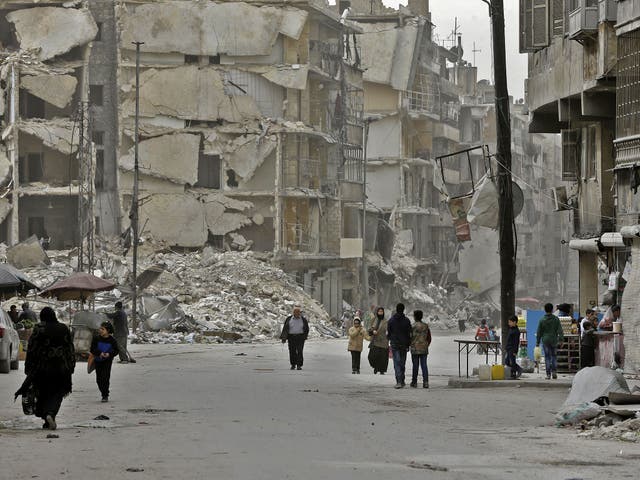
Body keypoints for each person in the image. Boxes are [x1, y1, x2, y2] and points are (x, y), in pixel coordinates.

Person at [21, 307, 75, 430]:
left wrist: (28, 367)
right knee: (57, 393)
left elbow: (32, 349)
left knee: (43, 393)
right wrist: (71, 366)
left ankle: (46, 417)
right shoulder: (64, 328)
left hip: (42, 368)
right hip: (61, 367)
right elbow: (70, 348)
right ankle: (51, 414)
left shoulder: (39, 328)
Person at [90, 322, 120, 402]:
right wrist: (100, 353)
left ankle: (105, 395)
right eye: (100, 328)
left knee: (105, 378)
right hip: (97, 361)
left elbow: (116, 351)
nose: (100, 330)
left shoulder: (112, 340)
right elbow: (92, 349)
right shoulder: (96, 338)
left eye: (102, 329)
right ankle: (103, 392)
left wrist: (109, 354)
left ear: (108, 330)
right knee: (99, 379)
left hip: (107, 361)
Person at [387, 303, 412, 389]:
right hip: (404, 345)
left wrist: (391, 339)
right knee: (402, 363)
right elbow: (409, 334)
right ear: (403, 309)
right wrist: (408, 344)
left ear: (396, 309)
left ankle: (399, 381)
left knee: (397, 363)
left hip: (395, 344)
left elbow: (388, 333)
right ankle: (402, 380)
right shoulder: (407, 320)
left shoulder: (391, 320)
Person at [536, 303, 563, 380]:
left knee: (547, 357)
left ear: (545, 310)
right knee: (554, 356)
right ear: (552, 309)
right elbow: (560, 330)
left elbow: (539, 332)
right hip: (554, 340)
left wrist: (537, 342)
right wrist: (561, 340)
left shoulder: (541, 320)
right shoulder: (556, 319)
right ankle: (554, 372)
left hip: (545, 340)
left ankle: (548, 374)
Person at [280, 306, 309, 370]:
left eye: (298, 312)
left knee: (299, 351)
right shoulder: (289, 319)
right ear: (293, 313)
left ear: (300, 313)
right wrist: (283, 338)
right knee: (292, 351)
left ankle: (299, 365)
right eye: (295, 312)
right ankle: (293, 364)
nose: (297, 313)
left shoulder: (303, 320)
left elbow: (306, 328)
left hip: (300, 337)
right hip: (291, 337)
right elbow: (285, 329)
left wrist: (304, 336)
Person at [409, 310, 431, 388]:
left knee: (415, 365)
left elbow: (409, 337)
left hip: (414, 348)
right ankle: (426, 382)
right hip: (424, 348)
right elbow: (429, 338)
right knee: (424, 365)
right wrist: (426, 345)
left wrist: (410, 345)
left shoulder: (412, 326)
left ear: (415, 317)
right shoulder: (426, 326)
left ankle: (414, 382)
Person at [366, 307, 389, 375]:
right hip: (375, 340)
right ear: (377, 312)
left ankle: (381, 370)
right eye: (379, 311)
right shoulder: (373, 319)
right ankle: (375, 366)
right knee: (372, 356)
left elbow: (388, 330)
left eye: (381, 311)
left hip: (383, 341)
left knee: (383, 357)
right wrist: (372, 331)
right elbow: (369, 328)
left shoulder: (385, 321)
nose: (380, 313)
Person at [505, 315, 523, 379]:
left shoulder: (516, 331)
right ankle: (519, 369)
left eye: (510, 322)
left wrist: (515, 351)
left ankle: (513, 375)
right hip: (509, 348)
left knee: (512, 362)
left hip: (512, 348)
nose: (509, 323)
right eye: (509, 322)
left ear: (514, 322)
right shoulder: (511, 329)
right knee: (507, 362)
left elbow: (516, 342)